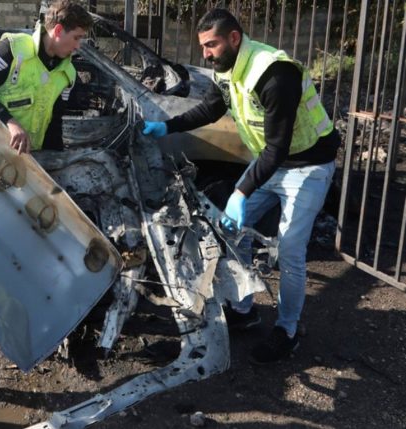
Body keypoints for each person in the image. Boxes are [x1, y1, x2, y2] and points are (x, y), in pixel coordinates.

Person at [142, 9, 340, 364]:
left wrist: (240, 192)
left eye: (212, 44)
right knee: (234, 231)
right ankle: (245, 311)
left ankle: (287, 331)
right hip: (272, 162)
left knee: (291, 248)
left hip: (307, 166)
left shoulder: (275, 74)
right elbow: (211, 109)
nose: (206, 53)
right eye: (203, 46)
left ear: (234, 38)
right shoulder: (229, 68)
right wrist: (168, 127)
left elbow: (277, 148)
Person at [0, 0, 92, 154]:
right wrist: (10, 122)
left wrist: (56, 160)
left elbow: (54, 123)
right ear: (58, 30)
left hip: (27, 161)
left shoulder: (68, 75)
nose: (78, 46)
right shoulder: (10, 50)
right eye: (76, 38)